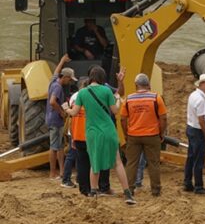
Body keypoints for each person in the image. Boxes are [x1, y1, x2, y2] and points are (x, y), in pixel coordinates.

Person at [65, 65, 136, 204]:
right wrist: (117, 99)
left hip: (92, 132)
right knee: (117, 163)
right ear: (102, 77)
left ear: (90, 77)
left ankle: (92, 193)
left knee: (94, 162)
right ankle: (127, 194)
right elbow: (115, 111)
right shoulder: (106, 91)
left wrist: (67, 108)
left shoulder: (83, 93)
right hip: (108, 130)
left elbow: (73, 113)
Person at [120, 73, 167, 197]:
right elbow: (163, 118)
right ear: (148, 85)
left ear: (136, 85)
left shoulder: (128, 99)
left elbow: (123, 119)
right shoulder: (156, 98)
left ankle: (129, 190)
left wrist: (126, 134)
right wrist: (161, 133)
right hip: (152, 135)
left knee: (131, 163)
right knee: (154, 163)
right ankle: (156, 190)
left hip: (133, 135)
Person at [45, 54, 77, 180]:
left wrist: (62, 60)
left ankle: (62, 171)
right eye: (69, 79)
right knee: (54, 147)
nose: (69, 82)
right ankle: (53, 173)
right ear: (64, 77)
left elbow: (56, 71)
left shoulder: (53, 82)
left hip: (50, 118)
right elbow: (53, 102)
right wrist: (61, 112)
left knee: (58, 146)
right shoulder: (58, 87)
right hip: (55, 120)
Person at [184, 73, 205, 195]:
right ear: (202, 84)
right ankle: (198, 186)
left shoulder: (194, 95)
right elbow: (201, 120)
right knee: (199, 159)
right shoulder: (201, 99)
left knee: (191, 157)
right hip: (197, 131)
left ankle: (187, 182)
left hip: (191, 128)